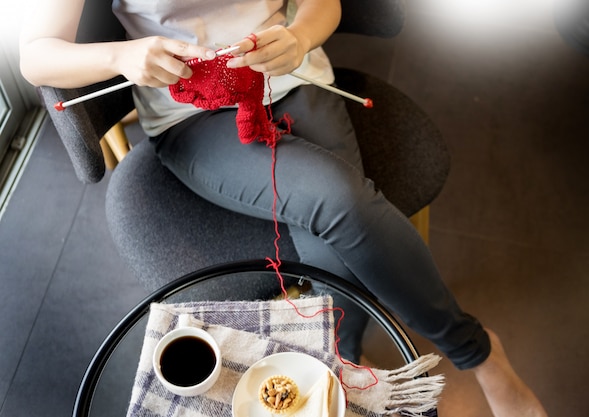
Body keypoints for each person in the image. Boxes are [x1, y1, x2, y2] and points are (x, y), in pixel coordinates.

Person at [20, 1, 547, 415]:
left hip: (295, 78)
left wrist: (298, 37)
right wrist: (120, 57)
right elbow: (36, 55)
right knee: (339, 202)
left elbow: (324, 3)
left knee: (337, 235)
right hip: (194, 116)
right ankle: (473, 351)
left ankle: (348, 359)